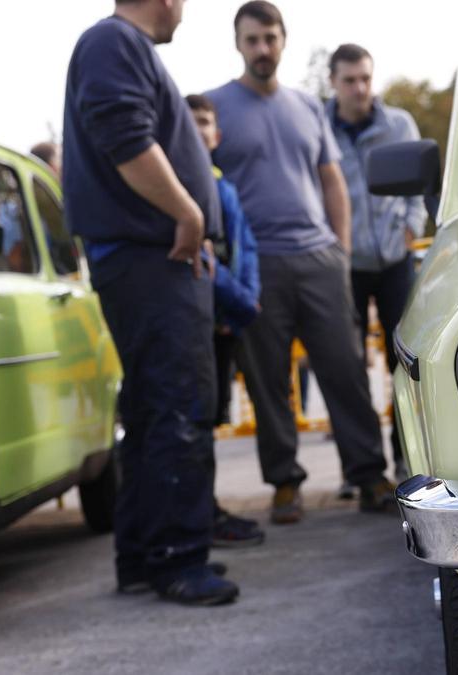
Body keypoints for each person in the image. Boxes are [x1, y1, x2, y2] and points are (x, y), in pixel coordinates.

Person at [63, 0, 237, 605]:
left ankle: (143, 554)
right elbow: (125, 137)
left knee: (151, 410)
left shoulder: (115, 46)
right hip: (151, 260)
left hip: (147, 260)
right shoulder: (113, 42)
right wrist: (188, 212)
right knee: (178, 405)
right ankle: (178, 558)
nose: (184, 10)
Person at [206, 1, 395, 524]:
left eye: (270, 38)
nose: (262, 48)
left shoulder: (308, 107)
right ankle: (285, 482)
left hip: (318, 259)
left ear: (283, 40)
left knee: (345, 370)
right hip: (257, 265)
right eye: (252, 40)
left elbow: (332, 180)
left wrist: (340, 250)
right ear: (238, 45)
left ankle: (369, 475)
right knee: (267, 380)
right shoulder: (215, 106)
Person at [327, 44, 427, 483]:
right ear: (333, 82)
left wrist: (410, 227)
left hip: (393, 260)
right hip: (344, 265)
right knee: (347, 369)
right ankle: (363, 470)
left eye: (365, 78)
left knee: (403, 363)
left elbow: (419, 184)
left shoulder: (399, 124)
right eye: (349, 80)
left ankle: (406, 457)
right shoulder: (319, 128)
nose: (360, 88)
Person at [185, 93, 266, 548]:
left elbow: (244, 248)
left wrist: (244, 298)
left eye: (205, 122)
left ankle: (207, 509)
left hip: (226, 322)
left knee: (210, 418)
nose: (199, 130)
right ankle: (201, 515)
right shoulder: (183, 185)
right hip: (203, 322)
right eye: (190, 121)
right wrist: (241, 301)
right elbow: (203, 262)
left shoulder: (224, 188)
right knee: (194, 421)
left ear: (216, 135)